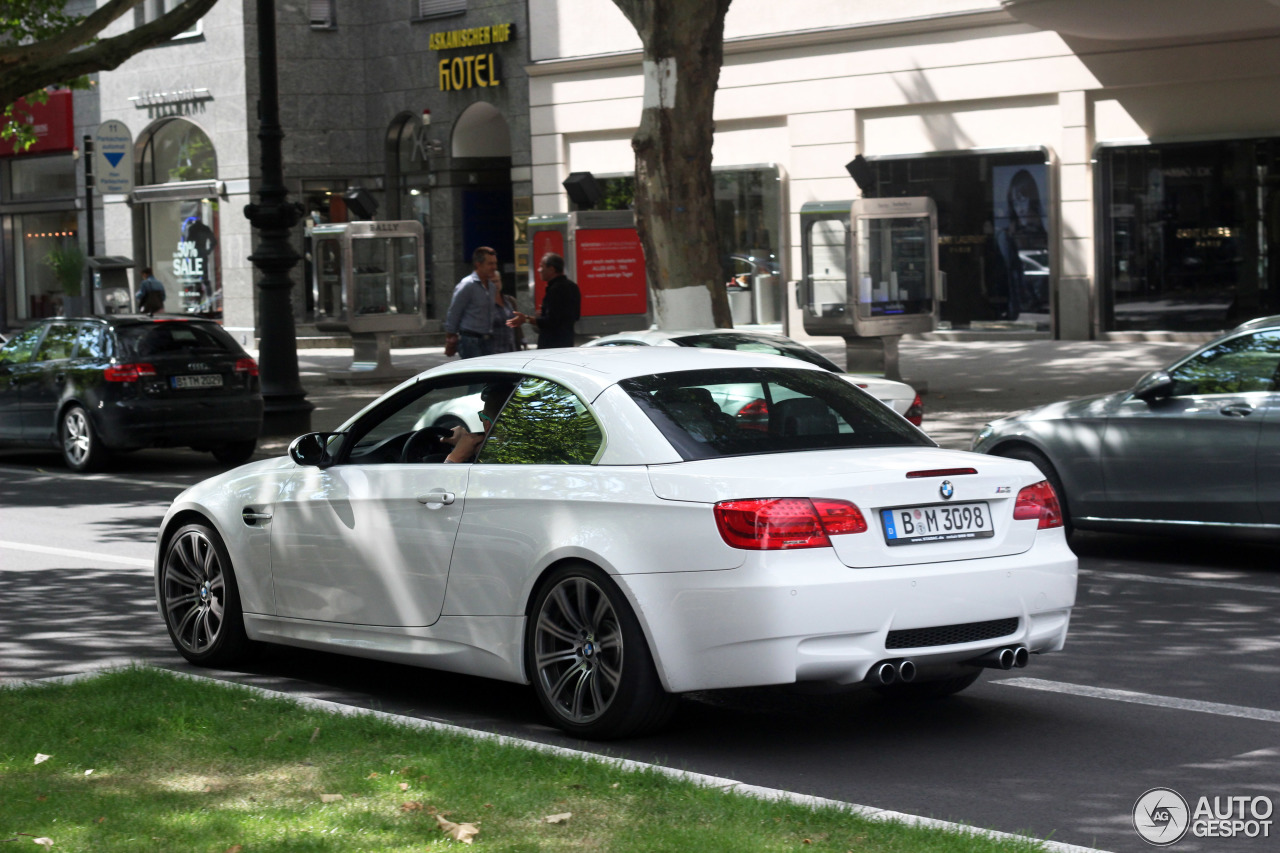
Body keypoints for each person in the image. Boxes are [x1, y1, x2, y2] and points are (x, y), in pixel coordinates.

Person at [508, 253, 580, 348]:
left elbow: (550, 321)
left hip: (551, 346)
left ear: (552, 269)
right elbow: (575, 316)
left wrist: (526, 319)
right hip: (567, 343)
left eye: (541, 266)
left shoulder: (555, 289)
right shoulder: (573, 286)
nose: (539, 270)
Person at [444, 247, 502, 358]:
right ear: (478, 264)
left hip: (488, 341)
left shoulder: (491, 286)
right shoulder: (467, 285)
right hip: (470, 341)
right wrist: (450, 338)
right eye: (490, 264)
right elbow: (454, 312)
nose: (494, 267)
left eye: (495, 263)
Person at [441, 381, 515, 463]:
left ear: (488, 426)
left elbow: (443, 476)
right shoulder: (520, 450)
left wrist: (455, 457)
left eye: (482, 416)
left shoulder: (492, 463)